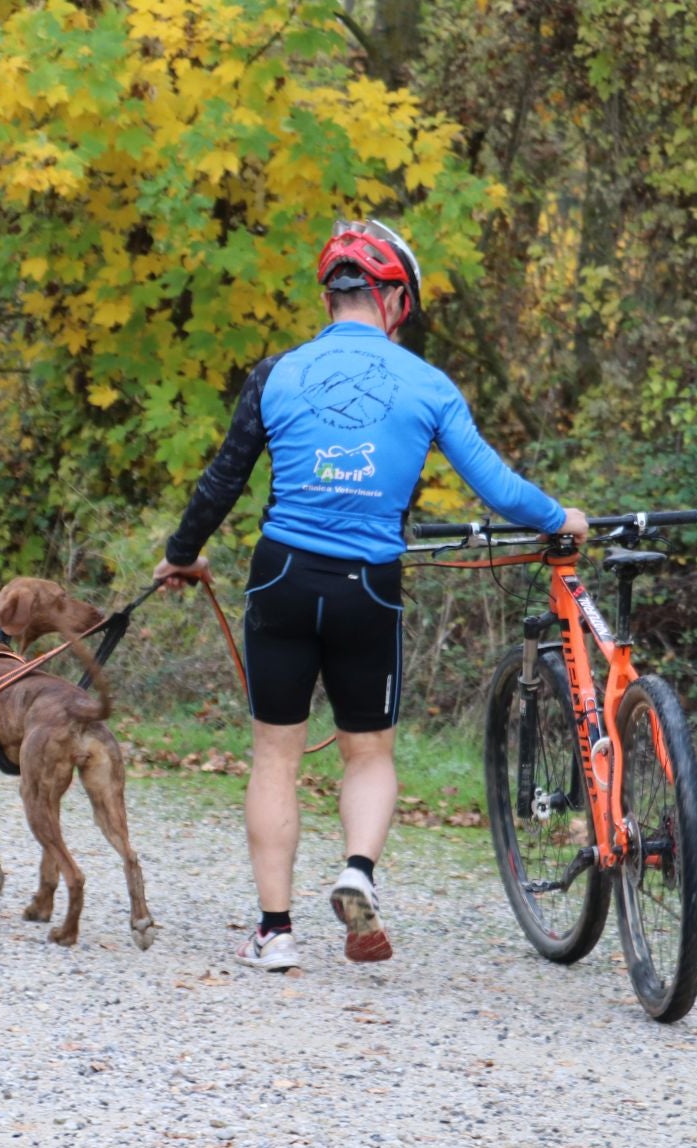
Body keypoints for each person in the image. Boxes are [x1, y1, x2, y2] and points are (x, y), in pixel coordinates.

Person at [152, 219, 587, 972]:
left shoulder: (276, 374)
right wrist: (561, 520)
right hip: (368, 589)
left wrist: (181, 556)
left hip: (283, 575)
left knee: (275, 756)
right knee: (368, 753)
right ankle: (358, 870)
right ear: (394, 301)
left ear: (332, 298)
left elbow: (222, 479)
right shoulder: (426, 384)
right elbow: (496, 486)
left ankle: (275, 931)